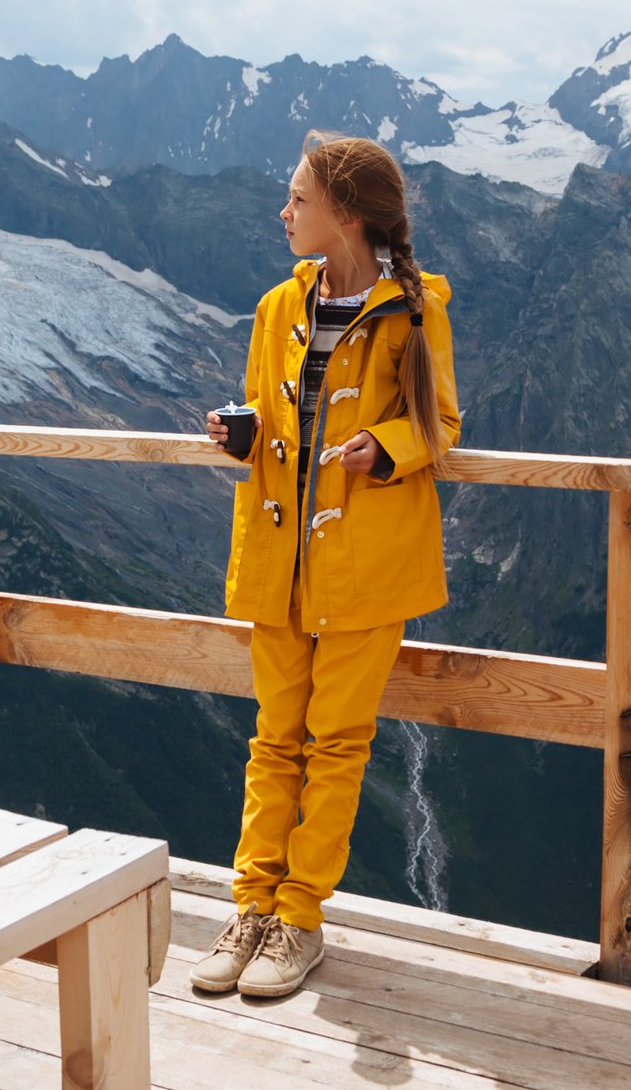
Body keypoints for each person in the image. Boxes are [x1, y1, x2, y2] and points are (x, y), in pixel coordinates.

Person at [191, 129, 462, 999]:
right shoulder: (278, 307)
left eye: (299, 200)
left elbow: (441, 424)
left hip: (364, 564)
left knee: (336, 744)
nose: (284, 213)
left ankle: (299, 920)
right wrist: (243, 432)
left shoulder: (414, 311)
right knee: (274, 740)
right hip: (281, 557)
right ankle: (251, 908)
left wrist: (385, 448)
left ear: (345, 215)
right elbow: (270, 415)